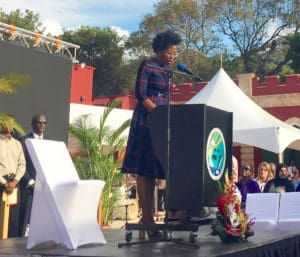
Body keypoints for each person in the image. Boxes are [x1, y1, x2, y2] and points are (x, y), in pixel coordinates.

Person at [121, 30, 182, 238]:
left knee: (158, 168)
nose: (173, 56)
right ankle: (147, 218)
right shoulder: (147, 65)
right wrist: (156, 113)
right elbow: (140, 93)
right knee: (144, 169)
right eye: (169, 52)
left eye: (175, 53)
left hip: (162, 121)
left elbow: (165, 97)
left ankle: (166, 215)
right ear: (159, 49)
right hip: (147, 120)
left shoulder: (167, 71)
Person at [18, 114, 47, 237]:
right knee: (25, 220)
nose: (42, 125)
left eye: (44, 123)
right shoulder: (24, 141)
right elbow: (20, 164)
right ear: (32, 124)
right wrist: (30, 182)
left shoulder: (49, 142)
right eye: (39, 122)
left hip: (45, 189)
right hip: (29, 188)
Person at [0, 119, 26, 237]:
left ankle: (11, 250)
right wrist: (5, 183)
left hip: (15, 184)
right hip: (2, 184)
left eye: (13, 123)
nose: (10, 125)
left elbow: (22, 164)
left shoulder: (17, 143)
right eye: (8, 122)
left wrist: (15, 181)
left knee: (14, 219)